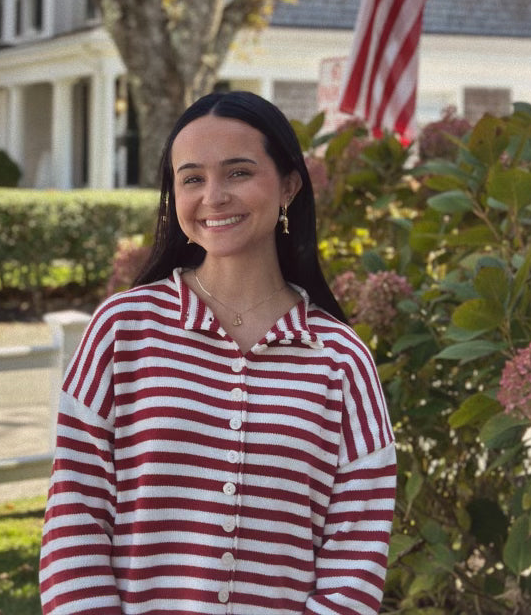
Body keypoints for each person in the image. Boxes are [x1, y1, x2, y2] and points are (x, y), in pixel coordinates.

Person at [39, 91, 397, 614]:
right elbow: (76, 513)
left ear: (289, 186)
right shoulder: (122, 330)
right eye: (191, 178)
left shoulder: (341, 360)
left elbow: (357, 550)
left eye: (237, 173)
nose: (213, 196)